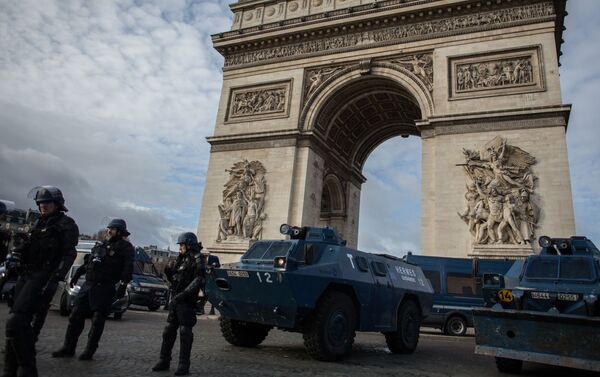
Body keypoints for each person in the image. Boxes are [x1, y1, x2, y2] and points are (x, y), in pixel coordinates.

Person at [3, 186, 79, 377]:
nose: (43, 206)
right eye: (40, 203)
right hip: (26, 275)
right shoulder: (37, 222)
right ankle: (9, 370)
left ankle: (28, 370)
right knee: (18, 324)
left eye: (47, 202)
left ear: (57, 203)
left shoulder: (66, 224)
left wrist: (56, 278)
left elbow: (69, 254)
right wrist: (17, 253)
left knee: (16, 322)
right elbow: (28, 249)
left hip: (43, 277)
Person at [52, 218, 133, 361]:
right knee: (75, 315)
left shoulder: (126, 247)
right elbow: (91, 261)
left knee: (97, 319)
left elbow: (128, 268)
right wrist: (79, 272)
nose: (109, 231)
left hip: (105, 286)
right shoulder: (101, 244)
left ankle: (90, 349)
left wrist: (123, 284)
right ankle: (68, 347)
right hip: (89, 284)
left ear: (120, 231)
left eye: (112, 229)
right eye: (109, 228)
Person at [152, 232, 205, 376]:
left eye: (182, 244)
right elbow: (175, 278)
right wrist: (169, 273)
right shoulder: (180, 259)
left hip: (186, 301)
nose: (180, 247)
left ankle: (183, 364)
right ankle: (164, 360)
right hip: (176, 299)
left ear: (189, 244)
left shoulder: (198, 258)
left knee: (185, 332)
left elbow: (199, 279)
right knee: (168, 330)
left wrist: (185, 293)